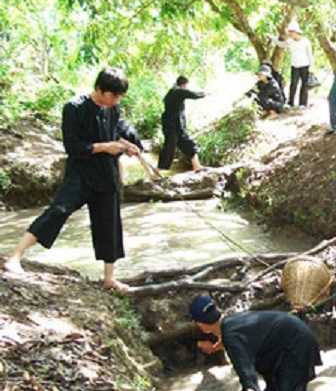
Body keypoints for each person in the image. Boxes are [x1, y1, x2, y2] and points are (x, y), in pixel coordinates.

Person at [4, 68, 142, 292]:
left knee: (110, 224)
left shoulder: (112, 109)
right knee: (58, 211)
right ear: (100, 89)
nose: (116, 101)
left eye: (119, 97)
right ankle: (15, 257)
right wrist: (105, 147)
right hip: (80, 174)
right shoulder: (74, 108)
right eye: (114, 96)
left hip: (106, 175)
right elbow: (73, 147)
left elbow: (119, 129)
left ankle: (109, 279)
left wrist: (128, 146)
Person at [189, 295, 322, 391]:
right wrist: (215, 348)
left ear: (201, 326)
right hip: (293, 336)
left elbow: (243, 367)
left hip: (297, 345)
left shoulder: (229, 334)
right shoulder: (230, 322)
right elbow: (240, 341)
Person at [157, 75, 206, 171]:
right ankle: (159, 170)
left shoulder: (172, 91)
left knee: (188, 143)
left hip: (176, 125)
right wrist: (206, 93)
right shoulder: (178, 91)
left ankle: (197, 166)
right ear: (184, 84)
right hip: (172, 126)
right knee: (169, 146)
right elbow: (194, 95)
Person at [275, 22, 314, 108]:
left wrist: (311, 67)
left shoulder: (305, 41)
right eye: (289, 33)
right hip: (294, 65)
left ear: (296, 32)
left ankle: (302, 103)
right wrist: (273, 39)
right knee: (293, 84)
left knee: (304, 85)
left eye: (291, 32)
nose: (290, 34)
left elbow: (310, 54)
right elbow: (282, 45)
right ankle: (290, 103)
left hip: (305, 65)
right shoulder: (290, 41)